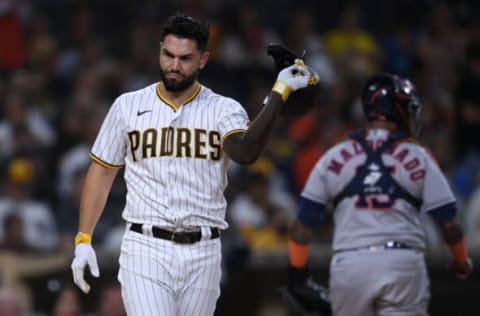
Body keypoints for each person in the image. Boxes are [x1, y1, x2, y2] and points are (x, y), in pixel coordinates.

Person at [70, 12, 317, 316]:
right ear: (160, 50)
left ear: (203, 60)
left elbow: (246, 152)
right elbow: (103, 171)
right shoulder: (127, 105)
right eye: (168, 55)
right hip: (145, 246)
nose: (174, 65)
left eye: (185, 58)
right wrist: (83, 238)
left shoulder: (223, 109)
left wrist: (278, 94)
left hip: (204, 250)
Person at [286, 74, 473, 316]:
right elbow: (450, 226)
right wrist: (461, 261)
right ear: (399, 110)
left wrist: (298, 275)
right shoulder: (419, 155)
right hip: (401, 262)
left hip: (349, 265)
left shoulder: (334, 154)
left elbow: (300, 228)